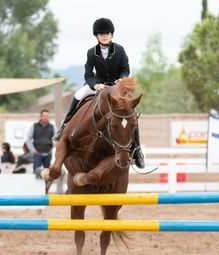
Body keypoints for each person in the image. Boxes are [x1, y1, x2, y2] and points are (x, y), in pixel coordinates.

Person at [52, 17, 145, 169]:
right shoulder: (91, 52)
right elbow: (88, 73)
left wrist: (121, 80)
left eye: (107, 33)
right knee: (78, 95)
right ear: (97, 36)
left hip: (117, 86)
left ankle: (137, 150)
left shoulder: (120, 50)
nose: (104, 36)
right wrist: (95, 85)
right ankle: (64, 126)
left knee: (130, 114)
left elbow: (125, 68)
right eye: (101, 34)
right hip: (99, 85)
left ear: (111, 34)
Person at [26, 109, 57, 177]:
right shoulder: (34, 126)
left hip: (48, 154)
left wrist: (52, 148)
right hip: (37, 154)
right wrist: (33, 150)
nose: (46, 117)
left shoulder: (52, 127)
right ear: (40, 116)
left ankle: (46, 187)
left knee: (47, 173)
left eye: (47, 116)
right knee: (36, 171)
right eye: (44, 115)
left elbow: (56, 139)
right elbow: (28, 139)